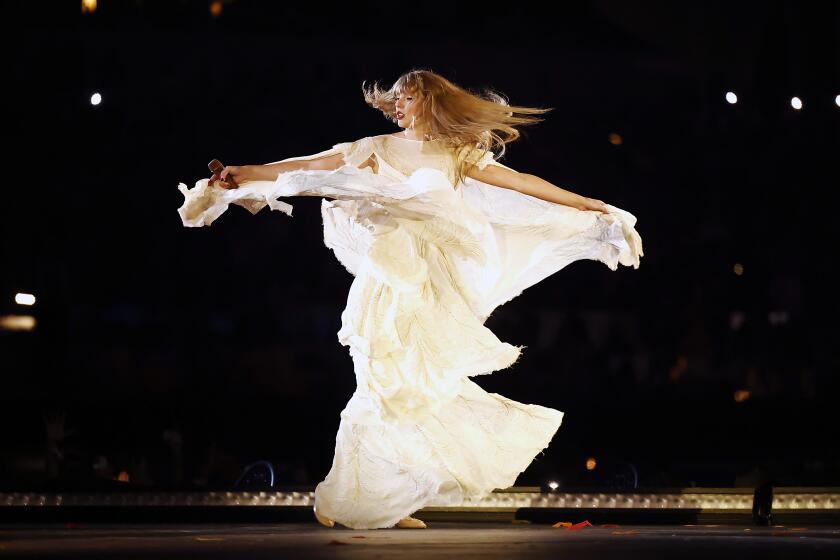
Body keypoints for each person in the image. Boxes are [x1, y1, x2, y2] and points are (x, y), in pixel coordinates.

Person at [177, 69, 644, 530]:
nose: (398, 105)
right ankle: (357, 496)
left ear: (431, 102)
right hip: (388, 275)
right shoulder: (374, 149)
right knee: (383, 380)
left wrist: (587, 204)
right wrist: (247, 173)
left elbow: (522, 182)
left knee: (418, 386)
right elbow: (311, 164)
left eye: (408, 97)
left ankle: (380, 497)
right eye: (396, 98)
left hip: (435, 279)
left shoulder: (457, 154)